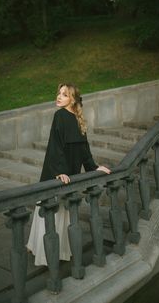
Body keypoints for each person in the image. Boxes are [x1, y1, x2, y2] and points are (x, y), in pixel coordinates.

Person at [27, 83, 111, 266]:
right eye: (59, 93)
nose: (58, 96)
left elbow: (84, 150)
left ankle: (60, 251)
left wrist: (94, 167)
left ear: (72, 100)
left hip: (69, 174)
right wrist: (59, 171)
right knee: (51, 210)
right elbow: (55, 146)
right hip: (56, 171)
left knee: (63, 211)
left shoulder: (79, 120)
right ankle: (43, 251)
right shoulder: (59, 116)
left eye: (64, 94)